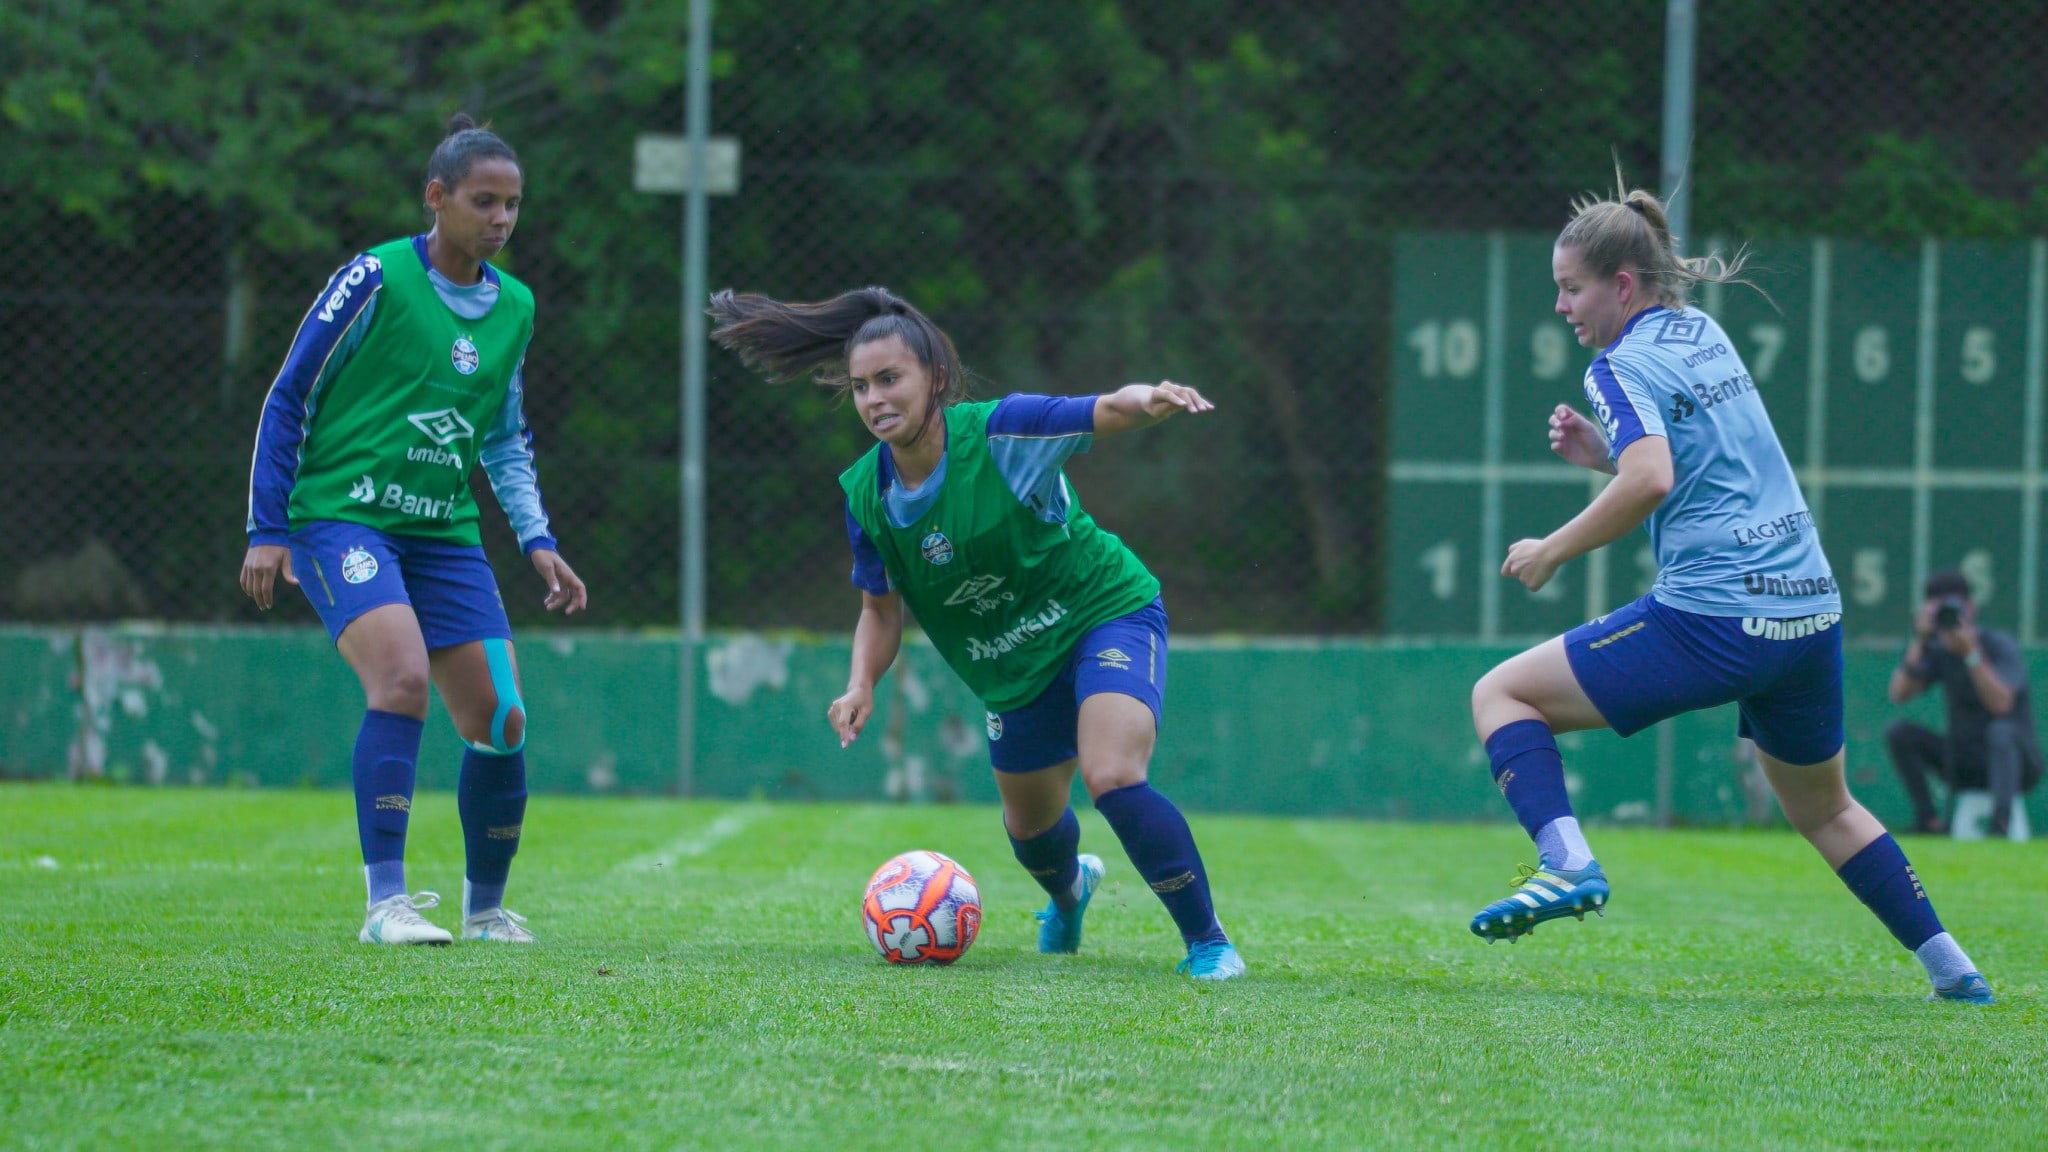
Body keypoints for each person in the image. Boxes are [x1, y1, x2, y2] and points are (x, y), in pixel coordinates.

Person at [1462, 177, 1994, 1003]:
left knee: (1501, 694)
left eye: (1572, 288)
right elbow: (1699, 464)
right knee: (1827, 811)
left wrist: (1552, 551)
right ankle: (1953, 969)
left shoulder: (1618, 364)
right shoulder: (1701, 331)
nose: (1563, 306)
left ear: (1622, 285)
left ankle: (1566, 864)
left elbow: (1651, 479)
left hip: (1719, 616)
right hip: (1809, 609)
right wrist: (1606, 455)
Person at [708, 287, 1245, 979]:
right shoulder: (867, 496)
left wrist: (1150, 399)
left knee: (1111, 774)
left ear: (933, 377)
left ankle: (1207, 942)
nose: (875, 399)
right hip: (1011, 669)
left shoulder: (1003, 433)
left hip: (1100, 613)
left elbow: (1106, 407)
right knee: (1030, 832)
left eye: (890, 379)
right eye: (861, 386)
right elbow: (879, 609)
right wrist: (859, 682)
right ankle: (1070, 892)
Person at [240, 113, 586, 946]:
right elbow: (291, 395)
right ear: (437, 198)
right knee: (399, 680)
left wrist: (536, 539)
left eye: (512, 205)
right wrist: (268, 524)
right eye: (483, 202)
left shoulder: (516, 308)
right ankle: (385, 905)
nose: (500, 219)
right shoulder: (375, 278)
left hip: (444, 534)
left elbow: (503, 436)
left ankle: (486, 910)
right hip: (342, 518)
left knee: (501, 721)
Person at [1887, 569, 2042, 836]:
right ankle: (1929, 821)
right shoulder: (1936, 647)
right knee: (1900, 732)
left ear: (1971, 608)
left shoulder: (1997, 644)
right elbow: (1899, 694)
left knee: (2001, 731)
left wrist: (1971, 655)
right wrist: (1921, 639)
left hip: (2016, 765)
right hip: (1963, 760)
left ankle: (2000, 826)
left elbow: (2001, 705)